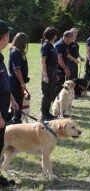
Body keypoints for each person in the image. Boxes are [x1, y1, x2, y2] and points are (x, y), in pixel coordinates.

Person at [0, 20, 18, 187]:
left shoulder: (0, 56)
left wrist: (11, 98)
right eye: (8, 35)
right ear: (3, 37)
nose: (9, 39)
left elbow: (3, 83)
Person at [8, 32, 30, 124]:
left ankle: (16, 119)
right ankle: (14, 120)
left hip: (17, 81)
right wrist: (22, 82)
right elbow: (16, 68)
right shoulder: (15, 51)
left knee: (19, 101)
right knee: (16, 102)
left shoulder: (17, 51)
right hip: (15, 82)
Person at [40, 26, 59, 122]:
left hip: (53, 72)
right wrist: (45, 74)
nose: (56, 36)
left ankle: (48, 112)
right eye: (55, 34)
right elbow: (43, 61)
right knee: (47, 94)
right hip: (48, 72)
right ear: (52, 35)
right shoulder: (46, 45)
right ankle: (44, 114)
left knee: (51, 93)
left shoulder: (51, 45)